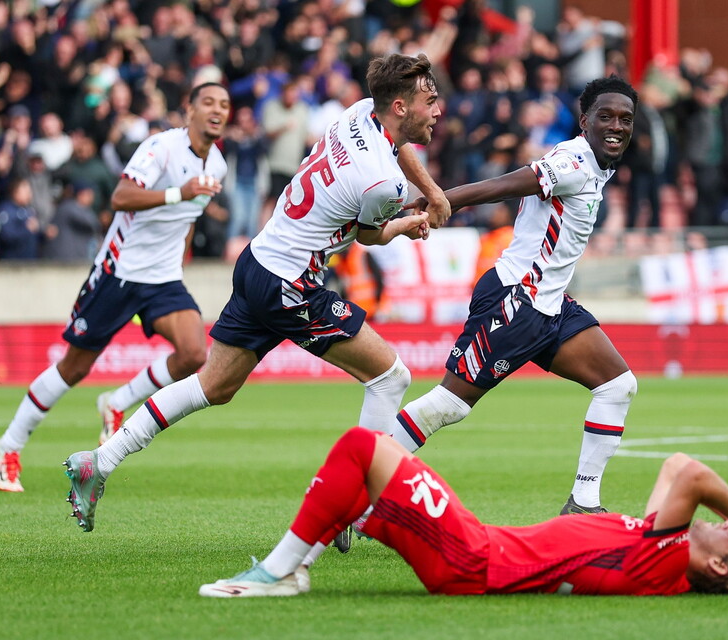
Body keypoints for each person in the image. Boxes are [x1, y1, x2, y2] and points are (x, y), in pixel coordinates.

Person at [63, 53, 451, 534]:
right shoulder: (382, 184)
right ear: (398, 105)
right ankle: (353, 502)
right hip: (291, 282)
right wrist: (408, 224)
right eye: (429, 102)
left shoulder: (358, 113)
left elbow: (396, 148)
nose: (438, 111)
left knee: (214, 386)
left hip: (258, 260)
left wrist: (432, 193)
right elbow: (372, 235)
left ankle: (98, 462)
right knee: (391, 377)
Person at [385, 76, 638, 519]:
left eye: (625, 119)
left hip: (551, 307)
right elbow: (505, 185)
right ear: (584, 121)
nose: (616, 126)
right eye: (606, 117)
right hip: (517, 301)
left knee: (617, 386)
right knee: (450, 404)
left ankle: (584, 502)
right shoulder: (573, 161)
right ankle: (357, 490)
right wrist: (441, 200)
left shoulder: (599, 166)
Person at [198, 427, 728, 597]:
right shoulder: (660, 550)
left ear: (719, 568)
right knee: (374, 472)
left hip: (475, 559)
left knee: (362, 447)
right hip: (477, 551)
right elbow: (679, 475)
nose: (726, 525)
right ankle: (296, 570)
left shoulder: (667, 561)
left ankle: (276, 572)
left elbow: (692, 472)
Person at [0, 83, 230, 492]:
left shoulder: (219, 165)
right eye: (208, 102)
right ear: (188, 109)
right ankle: (7, 446)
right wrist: (178, 193)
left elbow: (187, 220)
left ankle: (116, 402)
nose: (216, 110)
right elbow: (120, 196)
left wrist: (180, 253)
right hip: (119, 272)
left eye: (224, 104)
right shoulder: (161, 147)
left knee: (193, 353)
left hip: (163, 277)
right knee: (75, 367)